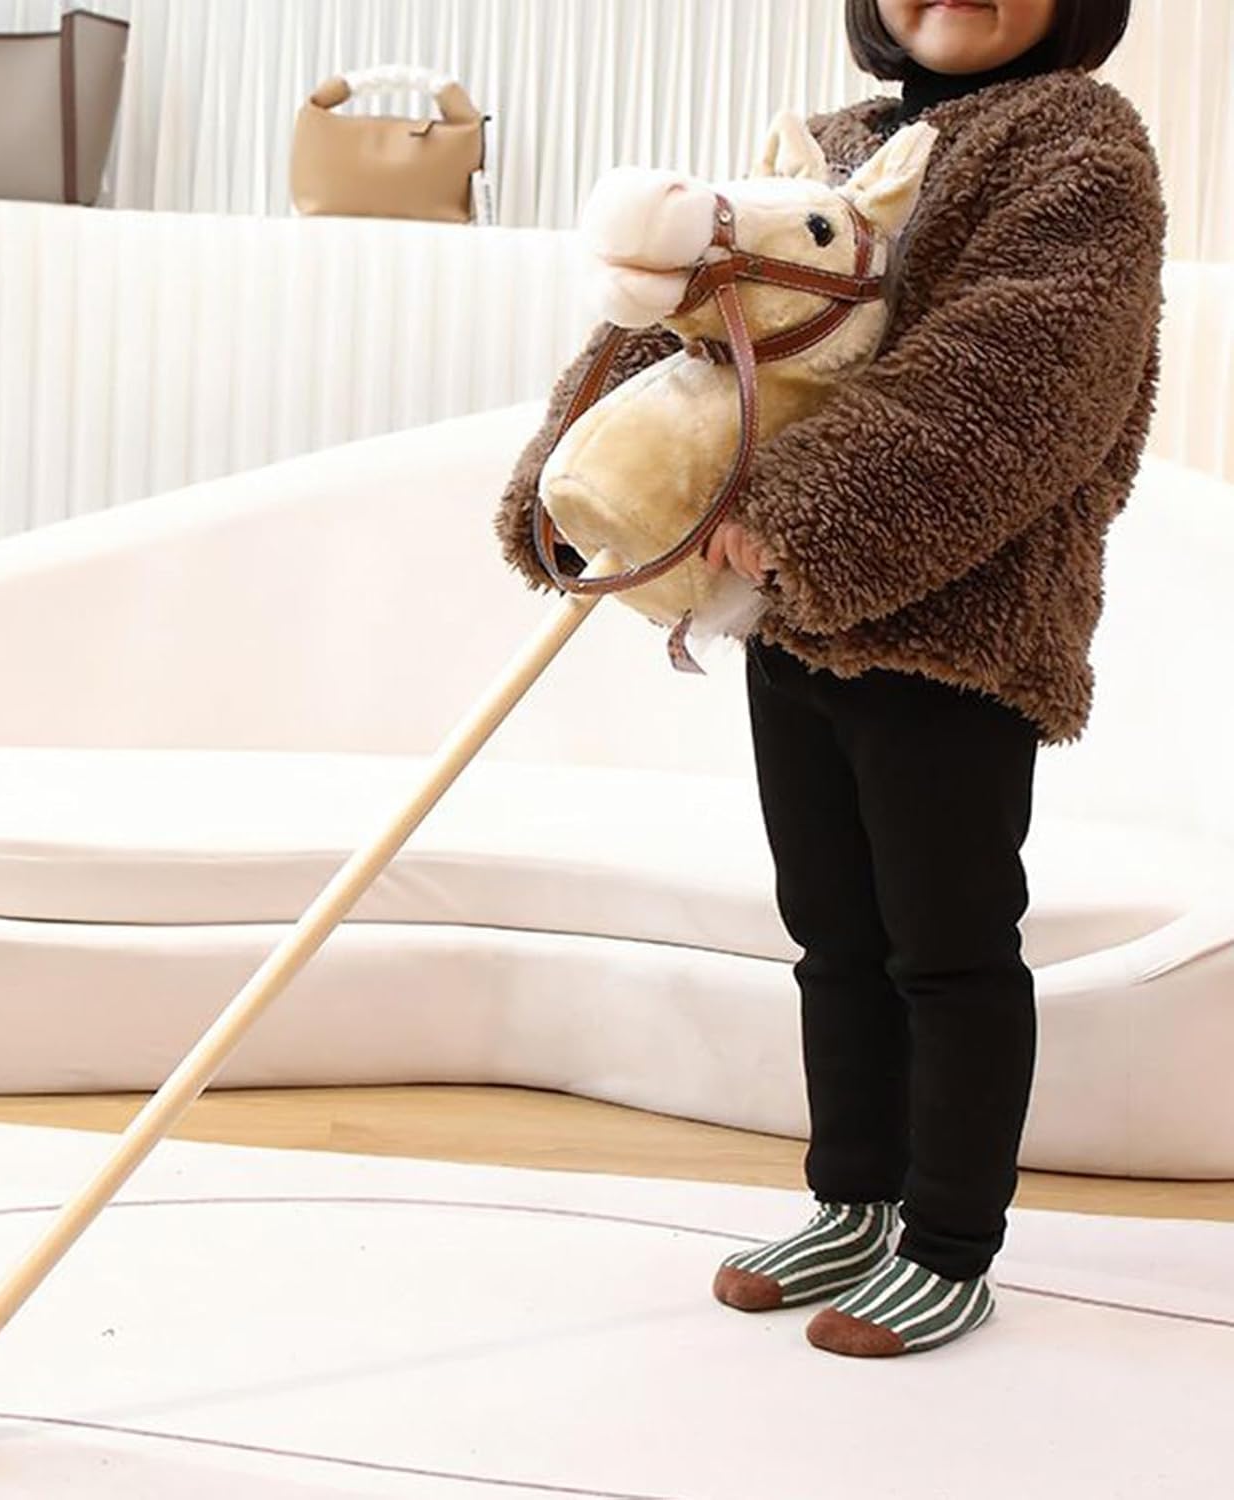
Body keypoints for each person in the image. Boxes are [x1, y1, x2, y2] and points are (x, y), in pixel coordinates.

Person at [492, 0, 1165, 1358]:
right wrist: (580, 484)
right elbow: (692, 317)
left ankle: (950, 1244)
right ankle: (853, 1200)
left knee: (949, 944)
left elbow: (1019, 374)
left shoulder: (1081, 150)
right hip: (791, 620)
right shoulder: (834, 144)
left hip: (957, 624)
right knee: (833, 934)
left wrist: (803, 509)